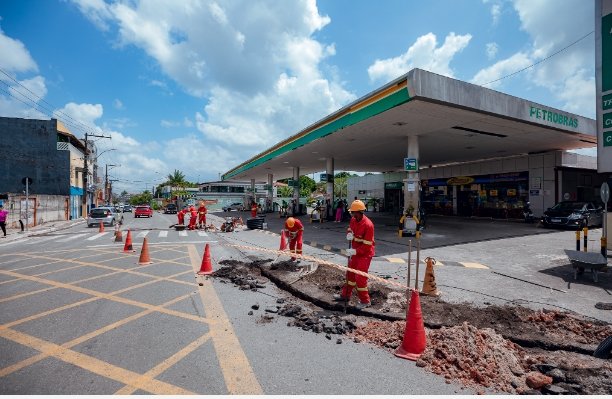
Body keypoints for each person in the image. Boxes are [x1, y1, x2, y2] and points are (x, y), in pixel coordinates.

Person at [334, 199, 375, 309]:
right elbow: (350, 229)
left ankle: (365, 301)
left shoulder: (368, 225)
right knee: (350, 274)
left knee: (360, 278)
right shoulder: (353, 219)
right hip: (356, 251)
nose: (352, 214)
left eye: (353, 212)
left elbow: (367, 246)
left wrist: (354, 251)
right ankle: (345, 295)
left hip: (365, 254)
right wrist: (349, 234)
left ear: (359, 212)